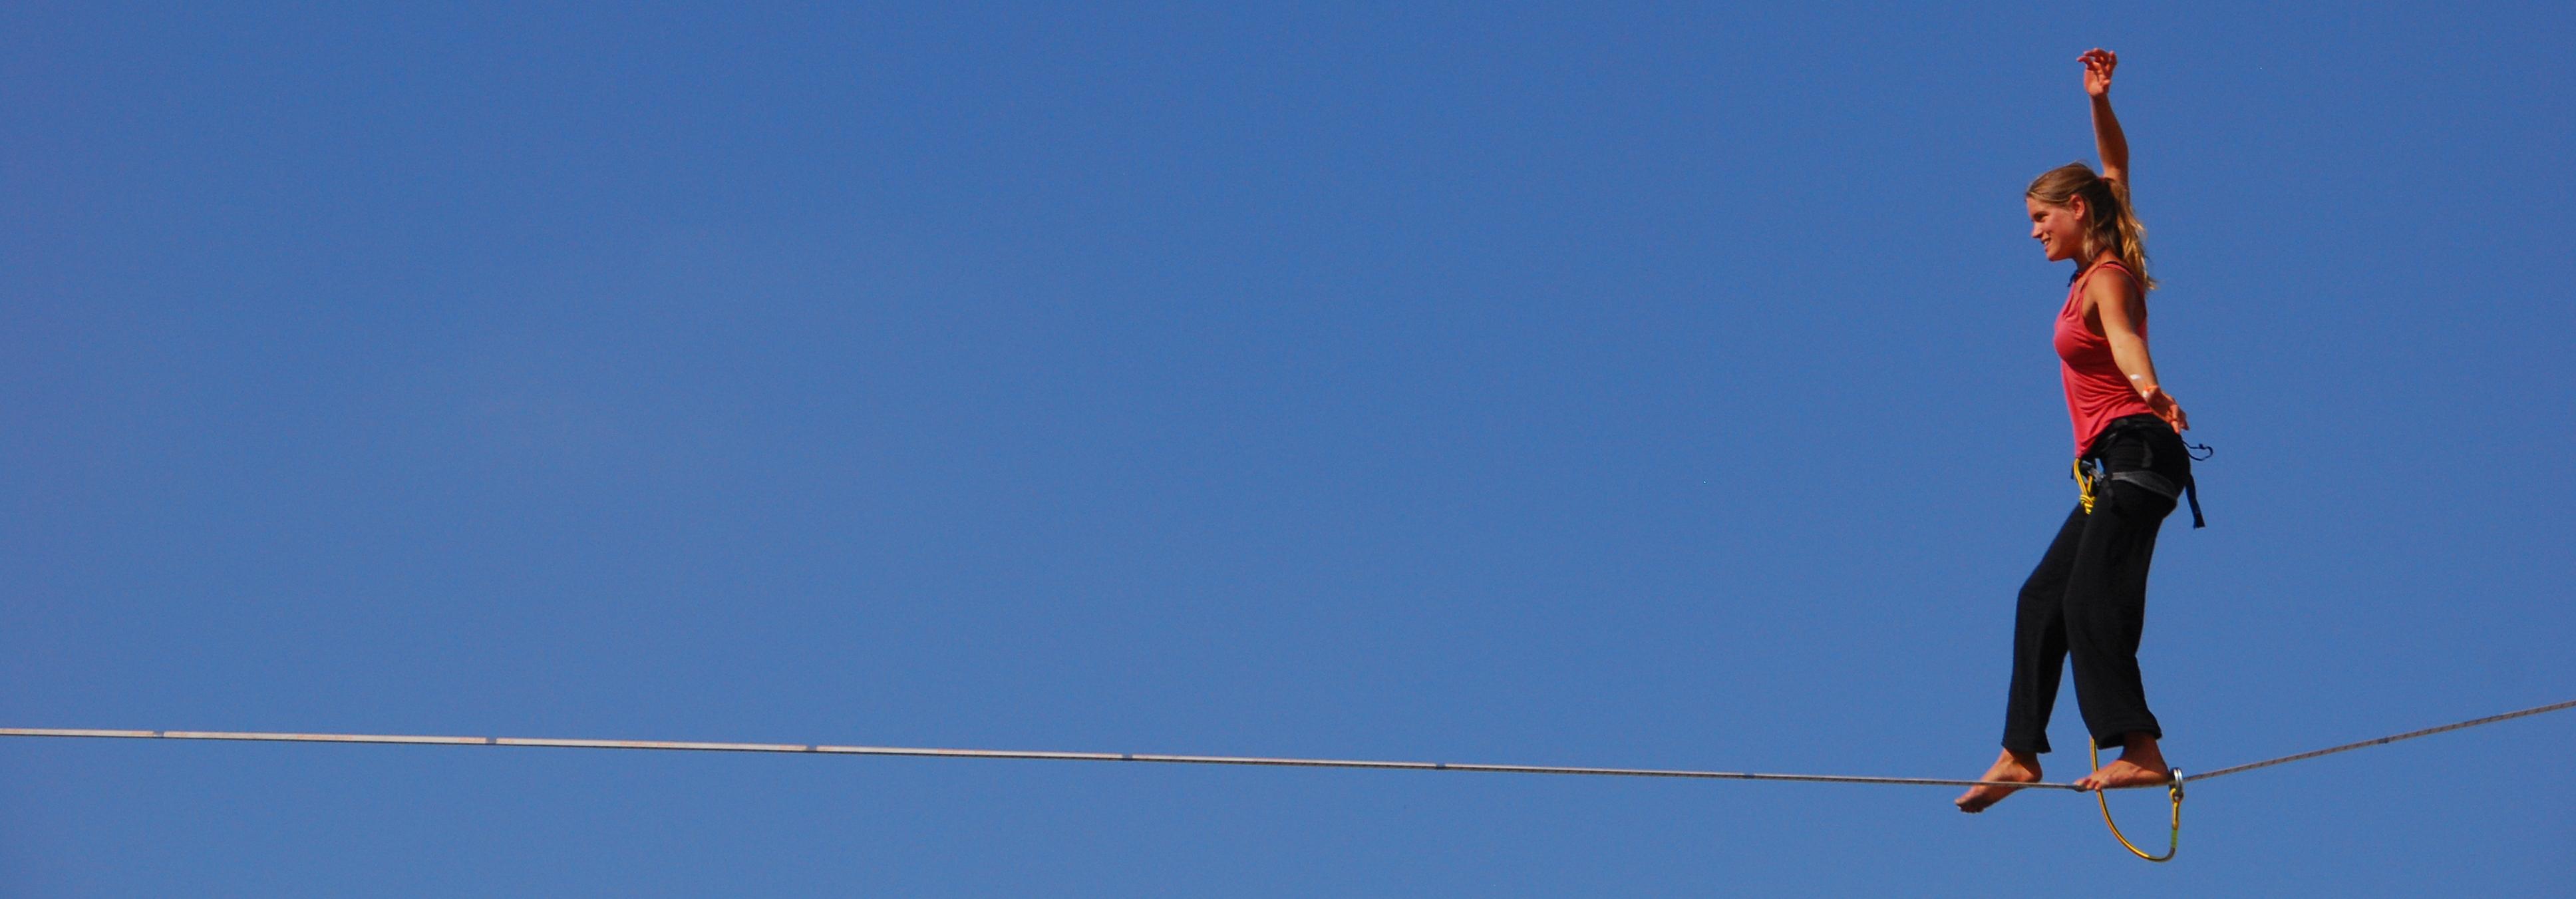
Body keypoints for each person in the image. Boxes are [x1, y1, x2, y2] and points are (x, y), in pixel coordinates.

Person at [1957, 48, 2199, 813]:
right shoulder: (2098, 253)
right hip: (2112, 466)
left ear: (2077, 213)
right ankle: (2018, 752)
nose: (2032, 233)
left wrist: (2150, 388)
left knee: (2090, 603)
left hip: (2137, 448)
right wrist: (2097, 99)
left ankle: (2141, 749)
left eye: (2039, 218)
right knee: (2041, 598)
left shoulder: (2104, 280)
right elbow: (2113, 164)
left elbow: (2126, 341)